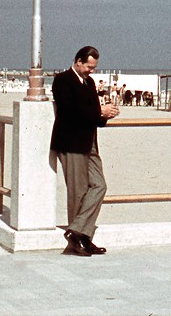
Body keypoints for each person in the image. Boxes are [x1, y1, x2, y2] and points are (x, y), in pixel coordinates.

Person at [50, 46, 120, 256]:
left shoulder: (89, 83)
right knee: (78, 192)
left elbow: (91, 115)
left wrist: (106, 115)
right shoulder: (62, 80)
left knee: (99, 185)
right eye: (89, 66)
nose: (91, 71)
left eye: (94, 67)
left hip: (89, 143)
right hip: (71, 143)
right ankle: (80, 240)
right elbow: (70, 111)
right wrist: (99, 111)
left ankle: (77, 231)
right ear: (78, 61)